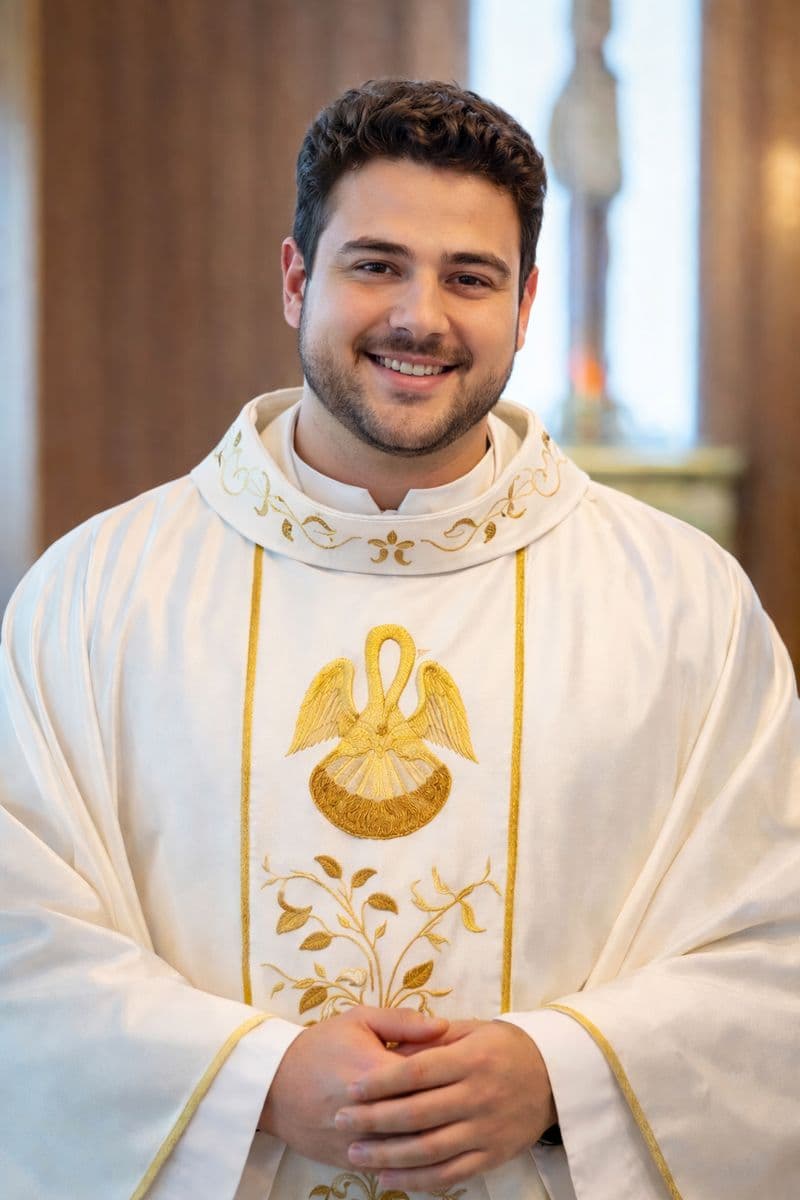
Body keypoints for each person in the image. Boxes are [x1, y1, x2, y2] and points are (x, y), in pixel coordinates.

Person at [0, 78, 798, 1200]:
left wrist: (563, 1075)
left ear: (523, 307)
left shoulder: (683, 608)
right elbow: (18, 934)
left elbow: (775, 941)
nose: (418, 316)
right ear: (295, 281)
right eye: (374, 264)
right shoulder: (96, 595)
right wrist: (254, 1080)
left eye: (468, 277)